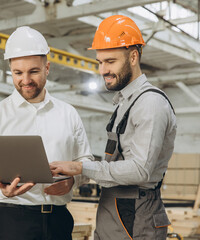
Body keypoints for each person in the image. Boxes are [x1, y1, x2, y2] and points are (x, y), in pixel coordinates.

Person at [50, 15, 177, 240]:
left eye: (110, 61)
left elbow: (140, 170)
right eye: (100, 62)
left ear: (133, 57)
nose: (102, 70)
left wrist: (81, 168)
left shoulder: (150, 103)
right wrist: (74, 176)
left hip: (136, 213)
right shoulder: (124, 102)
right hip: (114, 206)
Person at [0, 26, 94, 240]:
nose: (25, 80)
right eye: (18, 73)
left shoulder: (68, 113)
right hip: (13, 223)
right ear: (10, 70)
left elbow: (86, 160)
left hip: (59, 222)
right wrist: (2, 192)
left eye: (34, 71)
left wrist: (72, 182)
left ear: (47, 68)